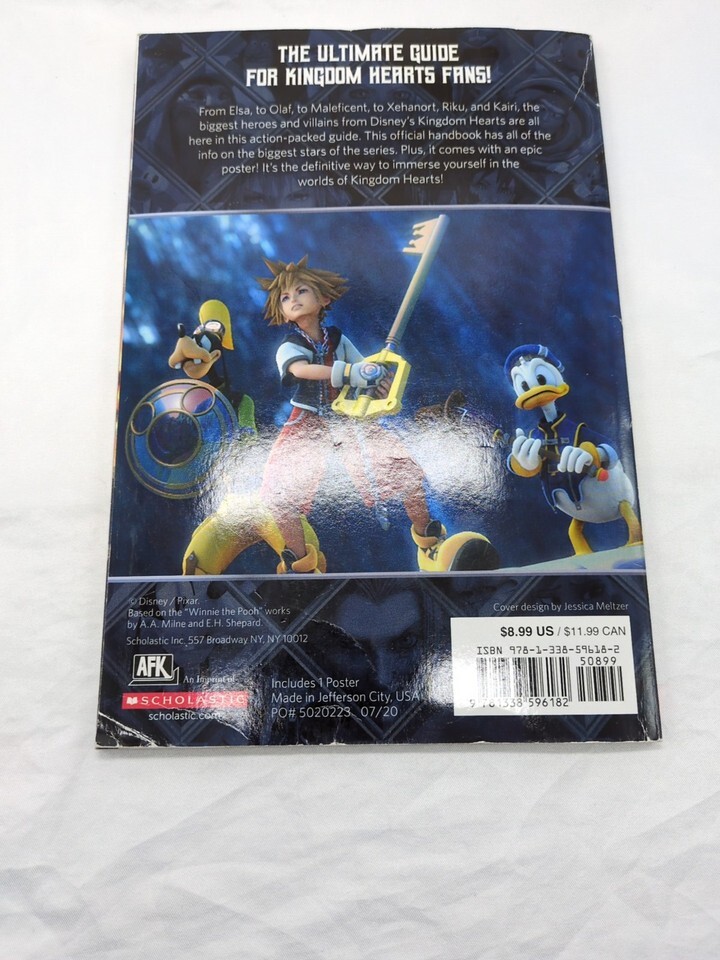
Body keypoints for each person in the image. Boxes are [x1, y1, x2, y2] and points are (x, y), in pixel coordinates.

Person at [258, 256, 498, 574]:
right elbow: (301, 370)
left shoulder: (338, 339)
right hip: (307, 422)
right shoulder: (290, 346)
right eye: (286, 297)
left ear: (324, 298)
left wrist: (378, 382)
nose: (293, 300)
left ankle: (430, 546)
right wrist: (351, 373)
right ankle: (301, 568)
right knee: (279, 493)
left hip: (348, 419)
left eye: (301, 291)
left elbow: (365, 372)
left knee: (406, 471)